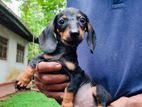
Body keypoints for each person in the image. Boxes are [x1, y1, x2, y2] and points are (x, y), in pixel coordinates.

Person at [34, 0, 142, 107]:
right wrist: (46, 78)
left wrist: (133, 103)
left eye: (81, 21)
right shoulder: (73, 4)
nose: (74, 30)